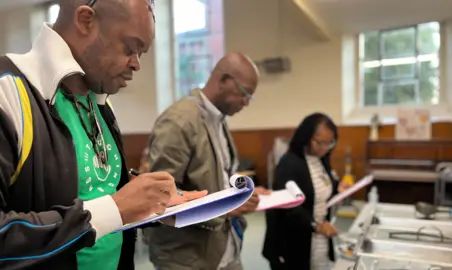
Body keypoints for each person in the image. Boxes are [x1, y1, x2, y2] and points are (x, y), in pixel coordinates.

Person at [0, 0, 205, 269]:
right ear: (86, 20)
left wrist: (150, 200)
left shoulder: (99, 101)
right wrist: (115, 209)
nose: (137, 65)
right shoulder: (8, 93)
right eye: (130, 48)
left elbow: (94, 187)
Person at [145, 52, 271, 270]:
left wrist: (244, 193)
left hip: (222, 246)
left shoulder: (217, 118)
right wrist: (226, 207)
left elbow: (215, 176)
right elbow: (161, 200)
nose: (246, 103)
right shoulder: (179, 122)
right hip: (186, 257)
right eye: (244, 94)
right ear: (223, 80)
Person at [262, 113, 352, 270]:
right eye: (319, 143)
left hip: (319, 235)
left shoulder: (321, 160)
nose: (324, 148)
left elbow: (321, 185)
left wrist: (338, 187)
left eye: (329, 143)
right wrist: (315, 225)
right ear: (306, 137)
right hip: (293, 239)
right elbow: (288, 206)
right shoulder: (289, 163)